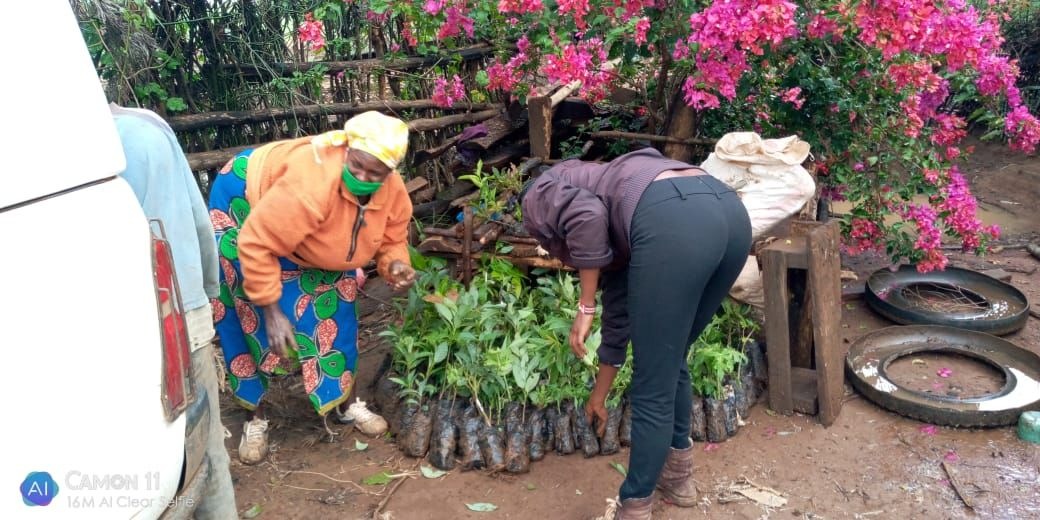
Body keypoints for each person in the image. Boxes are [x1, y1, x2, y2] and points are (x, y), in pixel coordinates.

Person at [521, 146, 752, 519]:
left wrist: (585, 306)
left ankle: (635, 506)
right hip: (729, 214)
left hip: (675, 221)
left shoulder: (540, 192)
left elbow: (586, 216)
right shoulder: (622, 213)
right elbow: (619, 320)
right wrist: (600, 395)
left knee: (652, 383)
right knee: (668, 357)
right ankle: (678, 477)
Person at [209, 111, 417, 465]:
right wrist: (271, 309)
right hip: (245, 204)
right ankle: (254, 417)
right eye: (357, 167)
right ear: (347, 151)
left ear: (390, 172)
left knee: (340, 309)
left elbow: (393, 237)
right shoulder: (311, 184)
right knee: (249, 313)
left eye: (375, 174)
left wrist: (395, 263)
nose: (363, 178)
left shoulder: (392, 191)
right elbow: (256, 244)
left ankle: (346, 404)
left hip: (313, 241)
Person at [110, 104, 239, 519]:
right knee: (205, 448)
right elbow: (201, 225)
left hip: (118, 324)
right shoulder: (147, 129)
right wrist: (207, 292)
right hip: (183, 308)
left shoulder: (66, 154)